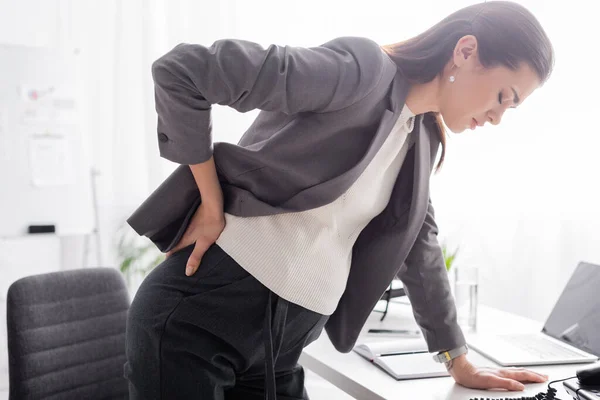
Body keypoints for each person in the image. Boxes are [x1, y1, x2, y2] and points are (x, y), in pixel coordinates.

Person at [124, 1, 555, 399]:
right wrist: (211, 201)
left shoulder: (421, 141)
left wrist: (457, 361)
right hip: (197, 323)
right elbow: (184, 71)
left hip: (280, 349)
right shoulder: (362, 72)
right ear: (466, 51)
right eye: (503, 97)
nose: (498, 118)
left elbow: (421, 252)